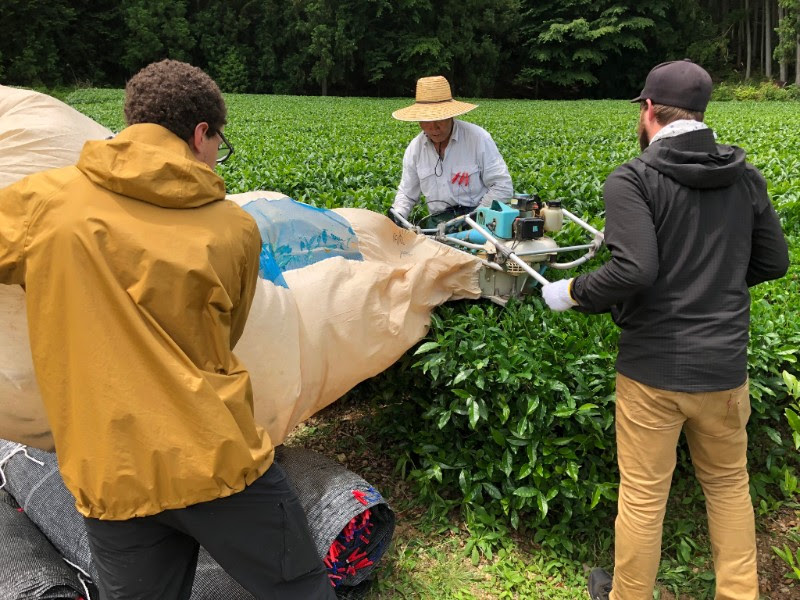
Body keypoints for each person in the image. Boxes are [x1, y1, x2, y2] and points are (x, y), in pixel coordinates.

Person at [0, 59, 334, 599]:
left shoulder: (43, 204)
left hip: (111, 471)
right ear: (200, 133)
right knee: (301, 590)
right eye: (217, 143)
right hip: (217, 464)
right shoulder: (234, 227)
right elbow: (226, 332)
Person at [541, 59, 789, 600]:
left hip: (652, 370)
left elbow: (635, 270)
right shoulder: (744, 177)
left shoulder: (635, 178)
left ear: (649, 109)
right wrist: (717, 281)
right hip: (724, 370)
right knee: (727, 486)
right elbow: (774, 263)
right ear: (701, 112)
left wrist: (570, 292)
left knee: (644, 497)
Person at [390, 75, 513, 227]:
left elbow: (502, 186)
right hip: (438, 224)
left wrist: (476, 217)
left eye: (439, 119)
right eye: (427, 121)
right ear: (419, 121)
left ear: (451, 116)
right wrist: (397, 215)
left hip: (478, 222)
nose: (433, 128)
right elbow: (407, 195)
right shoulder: (415, 149)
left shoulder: (478, 138)